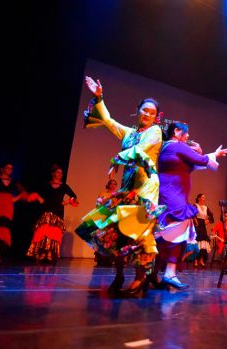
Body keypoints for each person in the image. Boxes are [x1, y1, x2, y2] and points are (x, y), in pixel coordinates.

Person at [75, 76, 164, 296]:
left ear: (156, 117)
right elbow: (108, 120)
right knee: (117, 232)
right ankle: (119, 275)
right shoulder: (129, 133)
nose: (147, 114)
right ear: (138, 110)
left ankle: (140, 279)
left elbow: (141, 150)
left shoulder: (155, 132)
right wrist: (99, 97)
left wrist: (116, 159)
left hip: (145, 188)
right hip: (127, 188)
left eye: (152, 113)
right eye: (144, 110)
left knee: (141, 233)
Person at [154, 121, 227, 290]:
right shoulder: (176, 146)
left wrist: (212, 155)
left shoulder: (169, 148)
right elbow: (200, 160)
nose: (187, 137)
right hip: (173, 196)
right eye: (186, 133)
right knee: (176, 227)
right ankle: (168, 273)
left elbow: (192, 164)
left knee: (169, 231)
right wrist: (208, 154)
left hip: (170, 193)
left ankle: (157, 272)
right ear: (177, 131)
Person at [27, 165, 78, 265]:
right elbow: (39, 195)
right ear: (53, 173)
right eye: (58, 172)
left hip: (58, 211)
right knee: (44, 232)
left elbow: (74, 197)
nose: (60, 174)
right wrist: (39, 198)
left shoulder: (64, 186)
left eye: (61, 173)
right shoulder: (46, 185)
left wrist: (66, 202)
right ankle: (42, 253)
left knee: (54, 233)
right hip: (46, 210)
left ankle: (50, 253)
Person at [0, 163, 28, 262]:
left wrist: (14, 199)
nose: (10, 170)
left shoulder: (14, 182)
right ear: (2, 169)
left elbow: (24, 193)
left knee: (3, 229)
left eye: (11, 168)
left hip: (7, 208)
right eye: (8, 168)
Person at [93, 179, 118, 267]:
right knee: (102, 238)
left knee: (111, 238)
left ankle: (110, 259)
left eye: (115, 184)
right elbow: (97, 204)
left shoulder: (117, 195)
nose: (113, 185)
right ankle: (100, 258)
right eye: (111, 184)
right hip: (104, 218)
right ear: (108, 185)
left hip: (113, 219)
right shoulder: (103, 194)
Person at [193, 193, 214, 267]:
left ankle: (201, 260)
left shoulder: (205, 207)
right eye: (202, 197)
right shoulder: (195, 206)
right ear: (198, 198)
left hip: (203, 227)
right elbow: (192, 214)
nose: (204, 199)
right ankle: (195, 260)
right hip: (197, 226)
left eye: (204, 197)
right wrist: (195, 221)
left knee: (204, 243)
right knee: (197, 243)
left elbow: (211, 216)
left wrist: (207, 221)